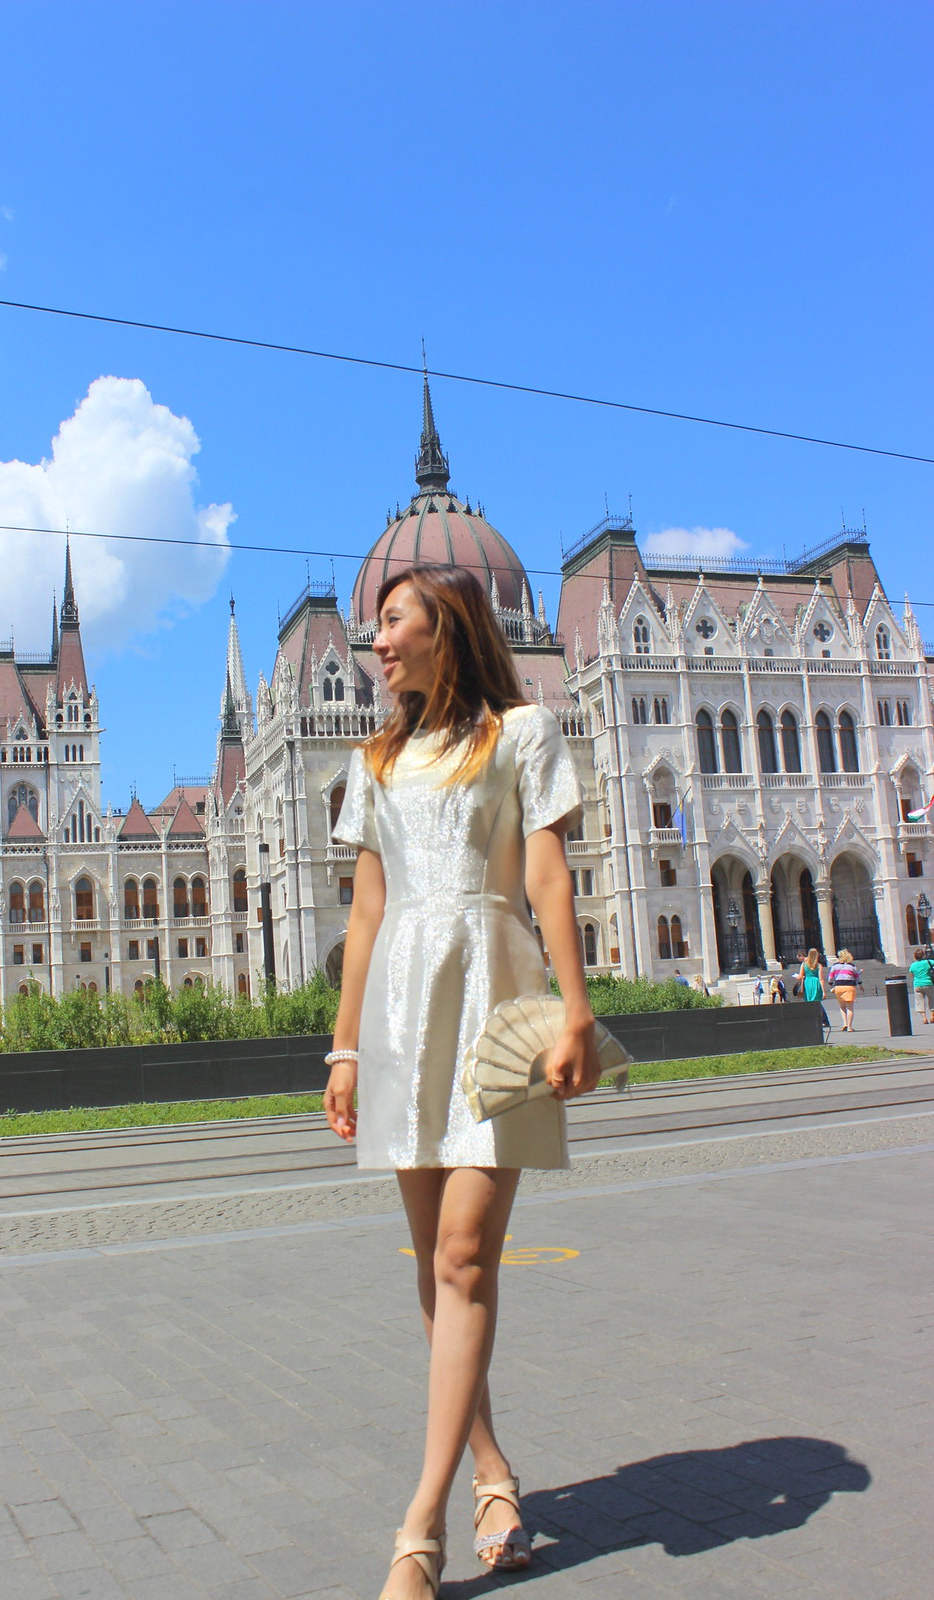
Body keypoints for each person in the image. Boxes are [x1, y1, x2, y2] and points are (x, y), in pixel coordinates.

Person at [323, 564, 601, 1600]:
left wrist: (575, 1009)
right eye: (375, 624)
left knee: (462, 1255)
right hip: (400, 1006)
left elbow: (543, 875)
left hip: (497, 998)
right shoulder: (375, 757)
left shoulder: (522, 734)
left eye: (393, 620)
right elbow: (363, 915)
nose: (376, 639)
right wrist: (343, 1049)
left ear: (448, 628)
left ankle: (417, 1527)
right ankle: (490, 1470)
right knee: (442, 1272)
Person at [826, 949, 862, 1033]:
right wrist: (860, 985)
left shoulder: (834, 966)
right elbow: (857, 977)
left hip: (838, 987)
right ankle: (849, 1027)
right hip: (849, 986)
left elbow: (830, 978)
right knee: (850, 1008)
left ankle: (844, 1023)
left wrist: (831, 985)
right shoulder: (852, 966)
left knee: (842, 1007)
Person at [795, 948, 829, 1036]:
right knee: (817, 1003)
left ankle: (812, 1022)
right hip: (816, 983)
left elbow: (800, 976)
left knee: (809, 1002)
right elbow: (821, 979)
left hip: (808, 983)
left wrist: (797, 977)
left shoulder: (804, 964)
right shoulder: (818, 965)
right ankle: (820, 1021)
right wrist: (823, 991)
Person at [908, 947, 934, 1023]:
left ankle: (924, 1018)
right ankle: (932, 1016)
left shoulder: (913, 965)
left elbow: (911, 975)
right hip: (928, 983)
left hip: (917, 984)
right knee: (932, 999)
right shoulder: (928, 962)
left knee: (919, 1001)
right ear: (923, 955)